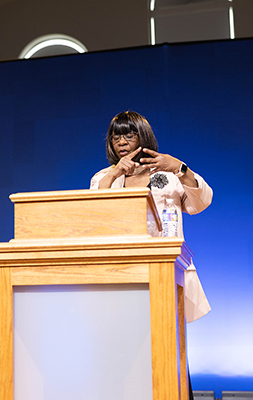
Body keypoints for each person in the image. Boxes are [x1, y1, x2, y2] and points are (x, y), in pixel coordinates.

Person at [90, 111, 213, 399]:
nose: (121, 141)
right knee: (124, 349)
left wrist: (181, 168)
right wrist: (116, 172)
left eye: (128, 134)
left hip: (165, 270)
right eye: (115, 136)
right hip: (121, 273)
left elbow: (200, 202)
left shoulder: (167, 175)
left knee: (166, 345)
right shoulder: (104, 177)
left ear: (142, 137)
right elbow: (93, 210)